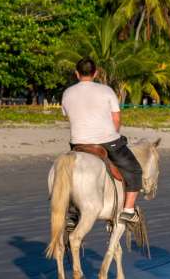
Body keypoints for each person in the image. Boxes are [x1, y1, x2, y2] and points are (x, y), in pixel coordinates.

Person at [61, 58, 142, 224]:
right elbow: (116, 119)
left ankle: (72, 213)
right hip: (107, 141)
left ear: (77, 73)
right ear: (96, 73)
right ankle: (128, 210)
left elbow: (68, 115)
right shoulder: (106, 91)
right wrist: (112, 133)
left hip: (78, 145)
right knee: (134, 169)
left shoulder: (67, 93)